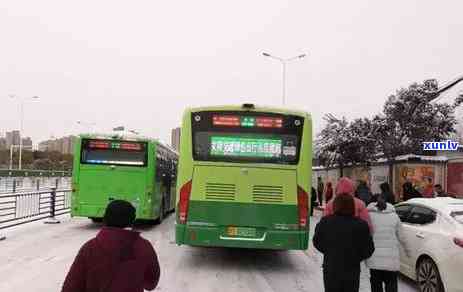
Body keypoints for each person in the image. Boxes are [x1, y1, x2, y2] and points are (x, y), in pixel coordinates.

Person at [62, 200, 160, 292]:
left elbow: (71, 287)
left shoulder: (90, 248)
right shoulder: (144, 247)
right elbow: (151, 284)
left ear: (105, 219)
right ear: (132, 221)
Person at [313, 194, 375, 292]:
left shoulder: (326, 222)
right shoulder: (361, 225)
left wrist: (329, 252)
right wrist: (357, 257)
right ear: (352, 206)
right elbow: (369, 249)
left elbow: (317, 241)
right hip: (352, 270)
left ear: (336, 205)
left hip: (331, 268)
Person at [366, 195, 409, 292]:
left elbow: (365, 236)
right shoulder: (394, 216)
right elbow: (402, 237)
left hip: (374, 259)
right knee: (391, 284)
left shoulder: (369, 216)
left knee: (376, 285)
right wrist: (408, 252)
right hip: (391, 259)